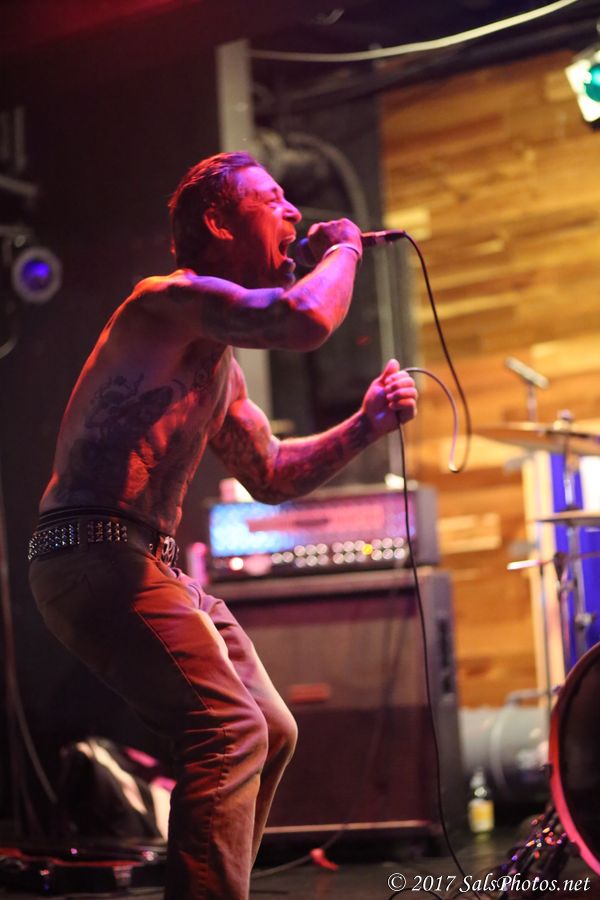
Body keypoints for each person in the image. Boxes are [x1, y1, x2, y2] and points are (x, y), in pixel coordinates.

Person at [28, 151, 418, 899]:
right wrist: (342, 249)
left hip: (146, 562)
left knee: (270, 729)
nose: (294, 213)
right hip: (92, 554)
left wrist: (366, 424)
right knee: (227, 728)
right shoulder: (165, 302)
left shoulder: (220, 365)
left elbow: (270, 473)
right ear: (217, 221)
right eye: (274, 200)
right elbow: (305, 319)